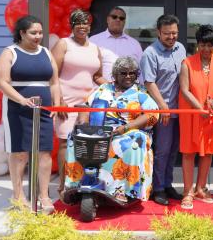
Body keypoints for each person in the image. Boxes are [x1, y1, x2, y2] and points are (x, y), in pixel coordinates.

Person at [63, 57, 159, 201]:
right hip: (100, 129)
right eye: (123, 73)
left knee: (132, 143)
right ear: (115, 74)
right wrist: (82, 123)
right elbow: (86, 106)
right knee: (74, 138)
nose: (128, 76)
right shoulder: (104, 88)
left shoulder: (140, 92)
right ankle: (74, 186)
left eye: (132, 73)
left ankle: (124, 191)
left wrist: (126, 127)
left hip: (129, 129)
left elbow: (153, 114)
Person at [0, 15, 61, 213]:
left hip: (44, 110)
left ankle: (44, 195)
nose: (38, 36)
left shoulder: (46, 53)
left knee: (44, 152)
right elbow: (2, 82)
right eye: (33, 32)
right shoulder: (10, 53)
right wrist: (22, 100)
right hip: (17, 109)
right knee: (19, 153)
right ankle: (18, 195)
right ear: (22, 33)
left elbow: (55, 82)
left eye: (40, 32)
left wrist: (56, 106)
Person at [51, 9, 107, 198]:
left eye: (86, 23)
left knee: (87, 144)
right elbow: (53, 74)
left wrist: (114, 86)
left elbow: (97, 76)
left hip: (88, 104)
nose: (83, 26)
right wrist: (59, 100)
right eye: (78, 23)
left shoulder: (94, 48)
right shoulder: (63, 44)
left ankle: (81, 183)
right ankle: (62, 186)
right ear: (72, 26)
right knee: (65, 143)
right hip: (66, 101)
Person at [178, 24, 213, 210]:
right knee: (189, 151)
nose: (206, 49)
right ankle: (187, 191)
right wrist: (200, 108)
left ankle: (200, 188)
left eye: (210, 45)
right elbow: (184, 90)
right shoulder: (187, 63)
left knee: (208, 152)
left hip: (211, 114)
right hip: (192, 113)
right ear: (197, 44)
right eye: (202, 45)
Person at [140, 14, 187, 205]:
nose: (171, 37)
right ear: (158, 32)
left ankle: (167, 184)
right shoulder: (150, 53)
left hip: (179, 110)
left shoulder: (181, 48)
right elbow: (149, 83)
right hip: (161, 111)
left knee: (174, 150)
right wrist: (163, 106)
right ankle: (157, 188)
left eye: (174, 33)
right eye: (167, 33)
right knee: (162, 150)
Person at [91, 6, 143, 81]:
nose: (118, 20)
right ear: (108, 19)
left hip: (129, 90)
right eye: (114, 17)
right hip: (101, 90)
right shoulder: (94, 41)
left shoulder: (134, 44)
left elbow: (141, 70)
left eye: (121, 18)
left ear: (124, 22)